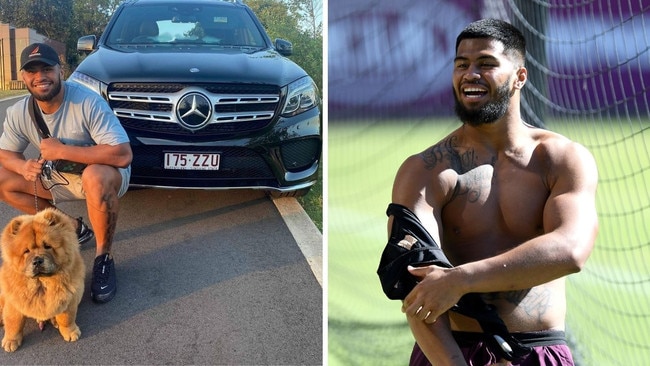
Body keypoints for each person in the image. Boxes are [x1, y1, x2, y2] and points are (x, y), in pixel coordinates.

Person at [389, 19, 598, 365]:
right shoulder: (425, 171)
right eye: (461, 65)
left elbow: (571, 250)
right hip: (450, 353)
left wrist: (462, 279)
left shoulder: (561, 158)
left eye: (486, 64)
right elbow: (414, 286)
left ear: (520, 77)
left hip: (540, 352)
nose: (470, 74)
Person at [0, 43, 132, 304]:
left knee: (95, 177)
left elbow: (122, 154)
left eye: (47, 69)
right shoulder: (19, 112)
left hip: (102, 176)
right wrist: (22, 167)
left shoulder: (87, 101)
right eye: (32, 71)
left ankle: (103, 257)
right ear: (24, 77)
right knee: (3, 180)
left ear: (61, 70)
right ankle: (73, 227)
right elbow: (5, 155)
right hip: (57, 178)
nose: (40, 77)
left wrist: (62, 150)